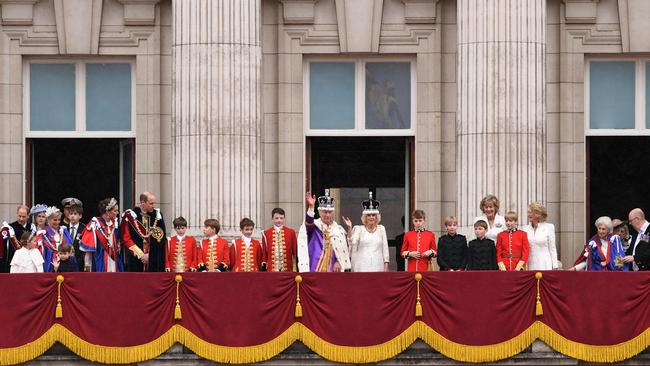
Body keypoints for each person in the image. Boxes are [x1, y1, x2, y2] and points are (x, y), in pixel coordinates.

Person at [298, 190, 351, 272]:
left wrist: (338, 261)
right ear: (319, 212)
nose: (327, 215)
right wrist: (311, 207)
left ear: (333, 213)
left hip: (333, 269)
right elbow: (308, 223)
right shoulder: (315, 226)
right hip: (315, 267)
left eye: (330, 212)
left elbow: (342, 250)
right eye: (325, 212)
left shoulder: (338, 229)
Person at [342, 192, 390, 272]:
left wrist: (386, 266)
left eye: (373, 215)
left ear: (377, 216)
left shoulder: (381, 229)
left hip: (378, 266)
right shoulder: (358, 229)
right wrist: (350, 228)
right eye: (369, 215)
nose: (371, 217)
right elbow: (351, 243)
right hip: (361, 266)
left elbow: (385, 249)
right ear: (365, 217)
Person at [121, 192, 168, 272]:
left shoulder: (158, 215)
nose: (153, 206)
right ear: (143, 202)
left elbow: (161, 238)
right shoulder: (130, 216)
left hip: (153, 261)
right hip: (135, 259)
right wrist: (141, 255)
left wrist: (151, 256)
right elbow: (126, 239)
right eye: (151, 203)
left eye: (154, 203)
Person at [80, 198, 124, 272]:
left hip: (114, 261)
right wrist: (87, 264)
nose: (117, 213)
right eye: (115, 211)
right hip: (99, 260)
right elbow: (88, 249)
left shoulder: (115, 224)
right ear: (107, 212)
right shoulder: (95, 224)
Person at [36, 207, 73, 273]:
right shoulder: (43, 233)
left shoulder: (63, 231)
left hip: (65, 263)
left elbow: (70, 246)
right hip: (49, 263)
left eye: (59, 220)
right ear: (48, 220)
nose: (57, 222)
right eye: (55, 220)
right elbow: (40, 251)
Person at [523, 202, 558, 270]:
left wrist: (555, 266)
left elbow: (552, 248)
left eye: (530, 212)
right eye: (528, 212)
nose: (528, 215)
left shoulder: (549, 227)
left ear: (537, 214)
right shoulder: (525, 229)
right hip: (530, 265)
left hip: (545, 264)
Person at [261, 208, 297, 272]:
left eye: (281, 218)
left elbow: (295, 251)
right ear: (272, 219)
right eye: (276, 218)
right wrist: (263, 267)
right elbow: (264, 253)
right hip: (271, 270)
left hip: (288, 269)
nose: (279, 220)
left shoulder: (291, 232)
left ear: (284, 219)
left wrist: (295, 268)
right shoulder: (266, 233)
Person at [1, 205, 30, 273]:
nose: (21, 219)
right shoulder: (10, 227)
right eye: (19, 216)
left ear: (28, 216)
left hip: (28, 262)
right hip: (13, 261)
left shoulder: (31, 227)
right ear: (16, 214)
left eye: (24, 217)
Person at [64, 204, 86, 272]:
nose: (72, 216)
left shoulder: (84, 229)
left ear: (80, 216)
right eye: (71, 214)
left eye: (75, 214)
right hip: (65, 263)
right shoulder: (63, 229)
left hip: (79, 263)